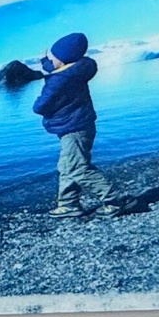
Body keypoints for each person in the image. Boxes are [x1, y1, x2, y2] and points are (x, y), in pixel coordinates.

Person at [32, 31, 122, 218]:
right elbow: (55, 67)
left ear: (62, 59)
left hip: (73, 128)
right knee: (67, 165)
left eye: (52, 57)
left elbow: (40, 107)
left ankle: (115, 200)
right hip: (81, 124)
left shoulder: (58, 81)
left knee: (76, 167)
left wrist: (39, 100)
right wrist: (44, 60)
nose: (50, 61)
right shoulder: (78, 70)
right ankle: (68, 204)